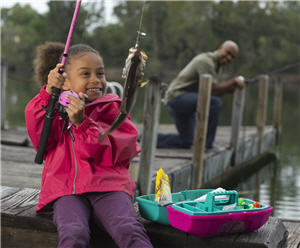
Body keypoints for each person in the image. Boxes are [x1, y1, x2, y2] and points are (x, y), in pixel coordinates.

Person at [25, 42, 153, 248]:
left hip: (110, 188)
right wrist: (48, 93)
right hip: (67, 191)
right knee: (73, 234)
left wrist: (82, 124)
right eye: (85, 74)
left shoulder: (114, 109)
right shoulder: (54, 110)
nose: (96, 80)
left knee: (128, 228)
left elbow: (115, 150)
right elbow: (41, 138)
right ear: (65, 81)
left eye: (100, 73)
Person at [157, 40, 245, 150]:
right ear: (220, 47)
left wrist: (228, 89)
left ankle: (151, 139)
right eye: (228, 53)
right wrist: (233, 82)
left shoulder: (217, 66)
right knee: (215, 102)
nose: (228, 58)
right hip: (177, 98)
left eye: (232, 57)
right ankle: (207, 145)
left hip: (184, 102)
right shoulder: (206, 61)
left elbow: (209, 91)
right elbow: (212, 90)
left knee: (187, 141)